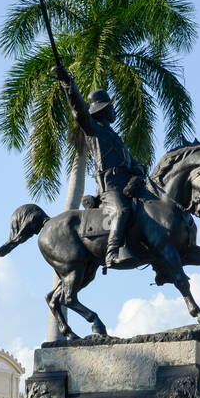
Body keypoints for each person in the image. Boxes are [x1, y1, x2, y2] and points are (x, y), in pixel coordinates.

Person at [56, 67, 146, 269]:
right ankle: (113, 252)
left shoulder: (114, 135)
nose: (115, 110)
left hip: (128, 186)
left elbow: (130, 162)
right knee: (121, 211)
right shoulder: (93, 131)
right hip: (111, 189)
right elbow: (79, 110)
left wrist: (138, 169)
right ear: (103, 109)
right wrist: (67, 83)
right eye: (111, 107)